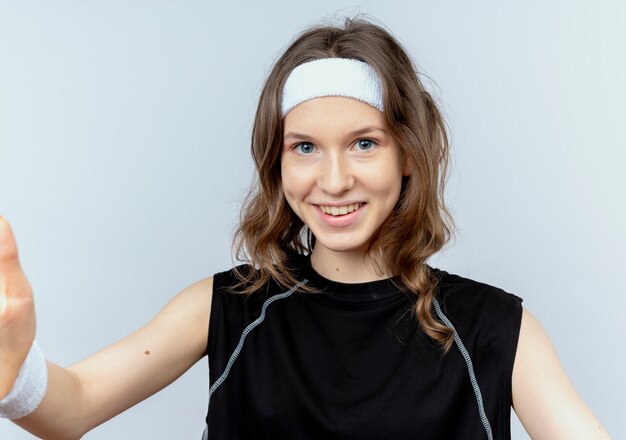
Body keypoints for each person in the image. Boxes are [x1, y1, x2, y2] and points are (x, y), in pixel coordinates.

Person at [0, 17, 611, 440]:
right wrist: (12, 369)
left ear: (408, 155)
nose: (335, 179)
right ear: (277, 161)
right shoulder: (225, 308)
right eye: (306, 147)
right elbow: (71, 408)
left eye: (364, 144)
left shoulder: (494, 329)